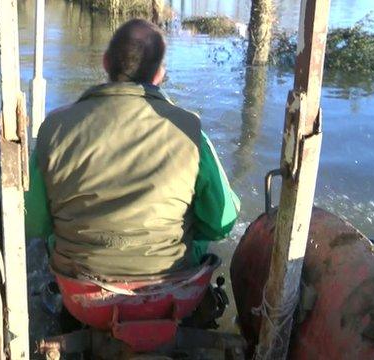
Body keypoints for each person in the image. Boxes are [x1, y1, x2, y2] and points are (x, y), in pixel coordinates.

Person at [25, 19, 239, 280]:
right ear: (159, 75)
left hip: (79, 284)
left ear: (105, 62)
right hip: (170, 283)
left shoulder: (54, 128)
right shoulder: (190, 131)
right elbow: (223, 223)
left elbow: (32, 222)